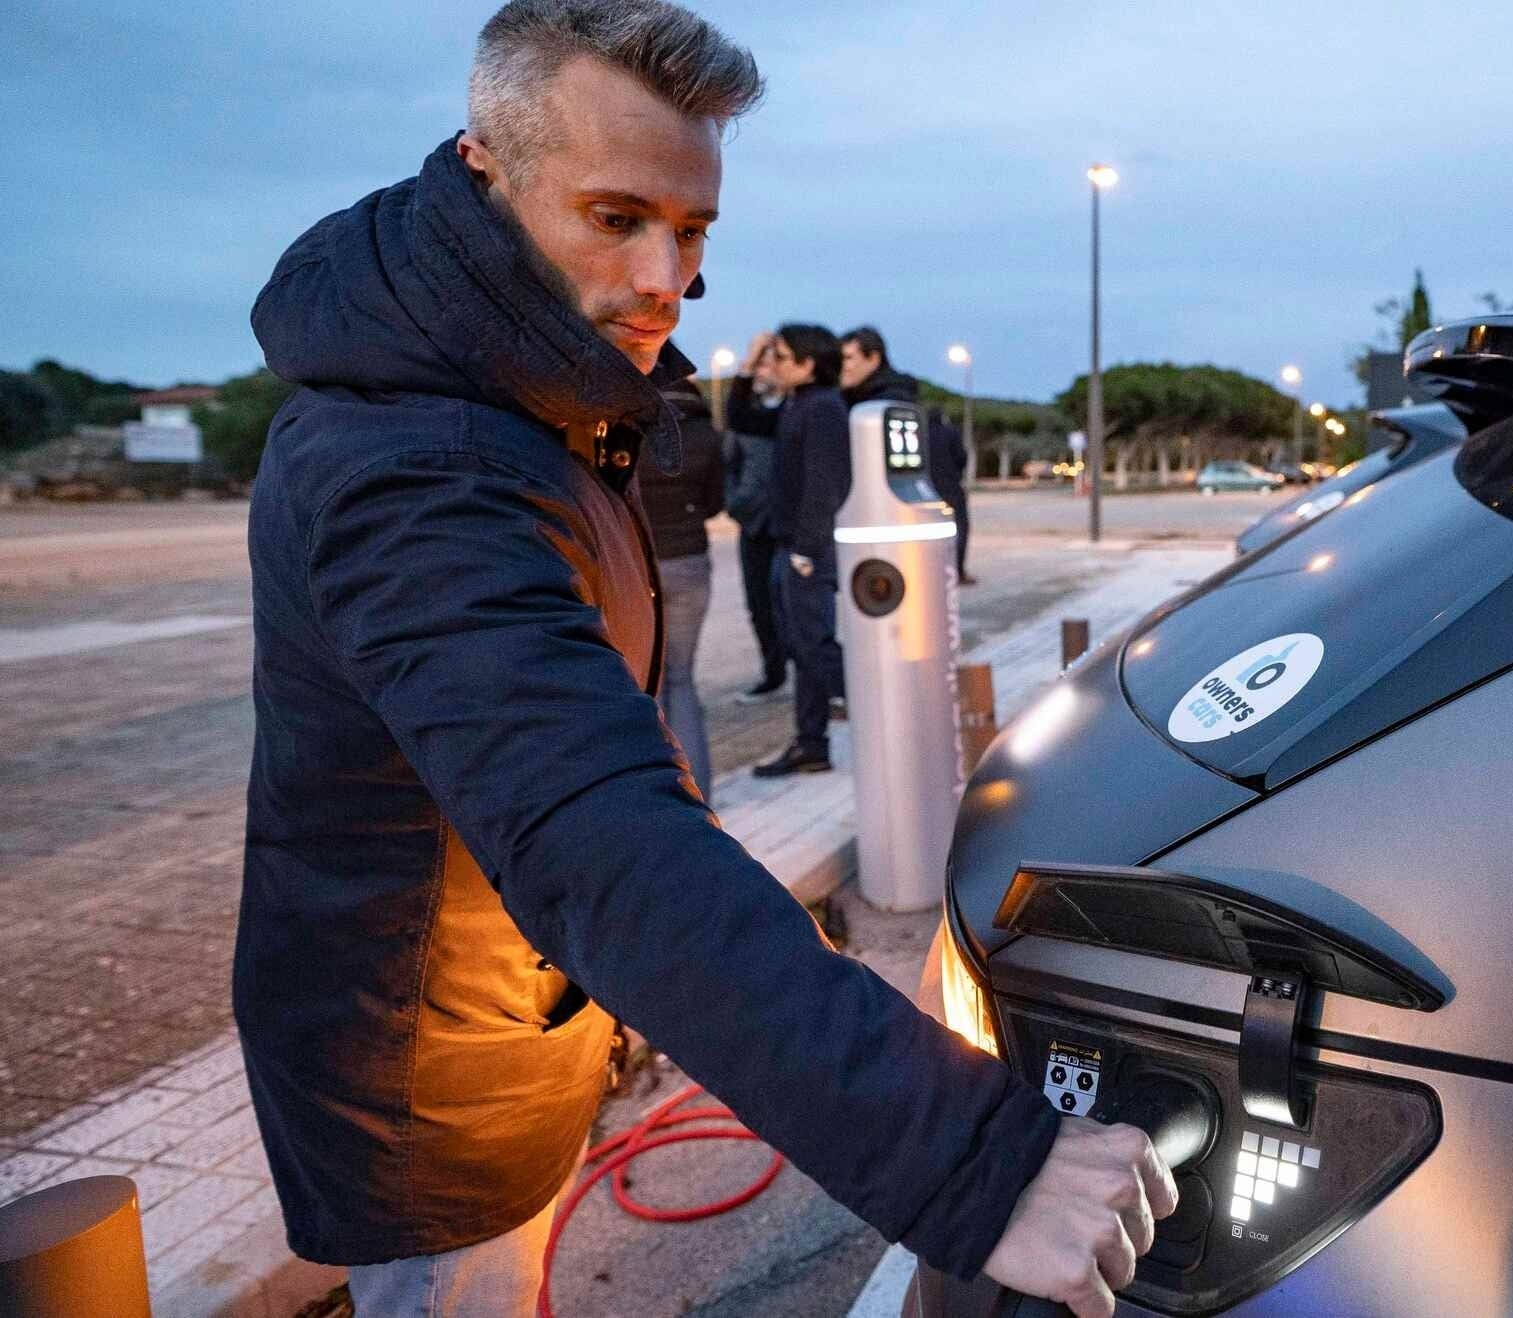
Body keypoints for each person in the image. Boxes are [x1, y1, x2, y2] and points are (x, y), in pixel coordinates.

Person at [234, 4, 1170, 1315]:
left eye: (693, 231)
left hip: (500, 1022)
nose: (667, 277)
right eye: (617, 218)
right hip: (425, 1092)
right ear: (483, 170)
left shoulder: (527, 395)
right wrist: (975, 1157)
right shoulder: (414, 467)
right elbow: (596, 836)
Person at [730, 324, 849, 778]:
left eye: (780, 357)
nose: (771, 365)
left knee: (813, 645)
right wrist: (748, 364)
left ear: (807, 365)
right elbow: (742, 419)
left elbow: (826, 484)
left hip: (803, 553)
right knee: (801, 647)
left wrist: (805, 550)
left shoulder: (823, 409)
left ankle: (886, 712)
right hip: (790, 548)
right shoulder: (797, 404)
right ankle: (811, 744)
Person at [637, 359, 724, 800]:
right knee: (683, 679)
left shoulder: (629, 426)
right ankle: (700, 792)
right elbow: (714, 503)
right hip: (691, 561)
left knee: (644, 684)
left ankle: (659, 797)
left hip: (642, 564)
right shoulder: (706, 434)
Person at [841, 326, 974, 583]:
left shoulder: (879, 408)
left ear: (873, 358)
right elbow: (961, 459)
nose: (842, 367)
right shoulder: (881, 401)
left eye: (848, 358)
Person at [720, 372, 788, 703]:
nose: (765, 371)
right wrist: (736, 503)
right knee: (759, 604)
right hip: (752, 525)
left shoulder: (795, 410)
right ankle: (773, 673)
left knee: (792, 605)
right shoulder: (745, 417)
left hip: (787, 525)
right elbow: (728, 464)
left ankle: (810, 677)